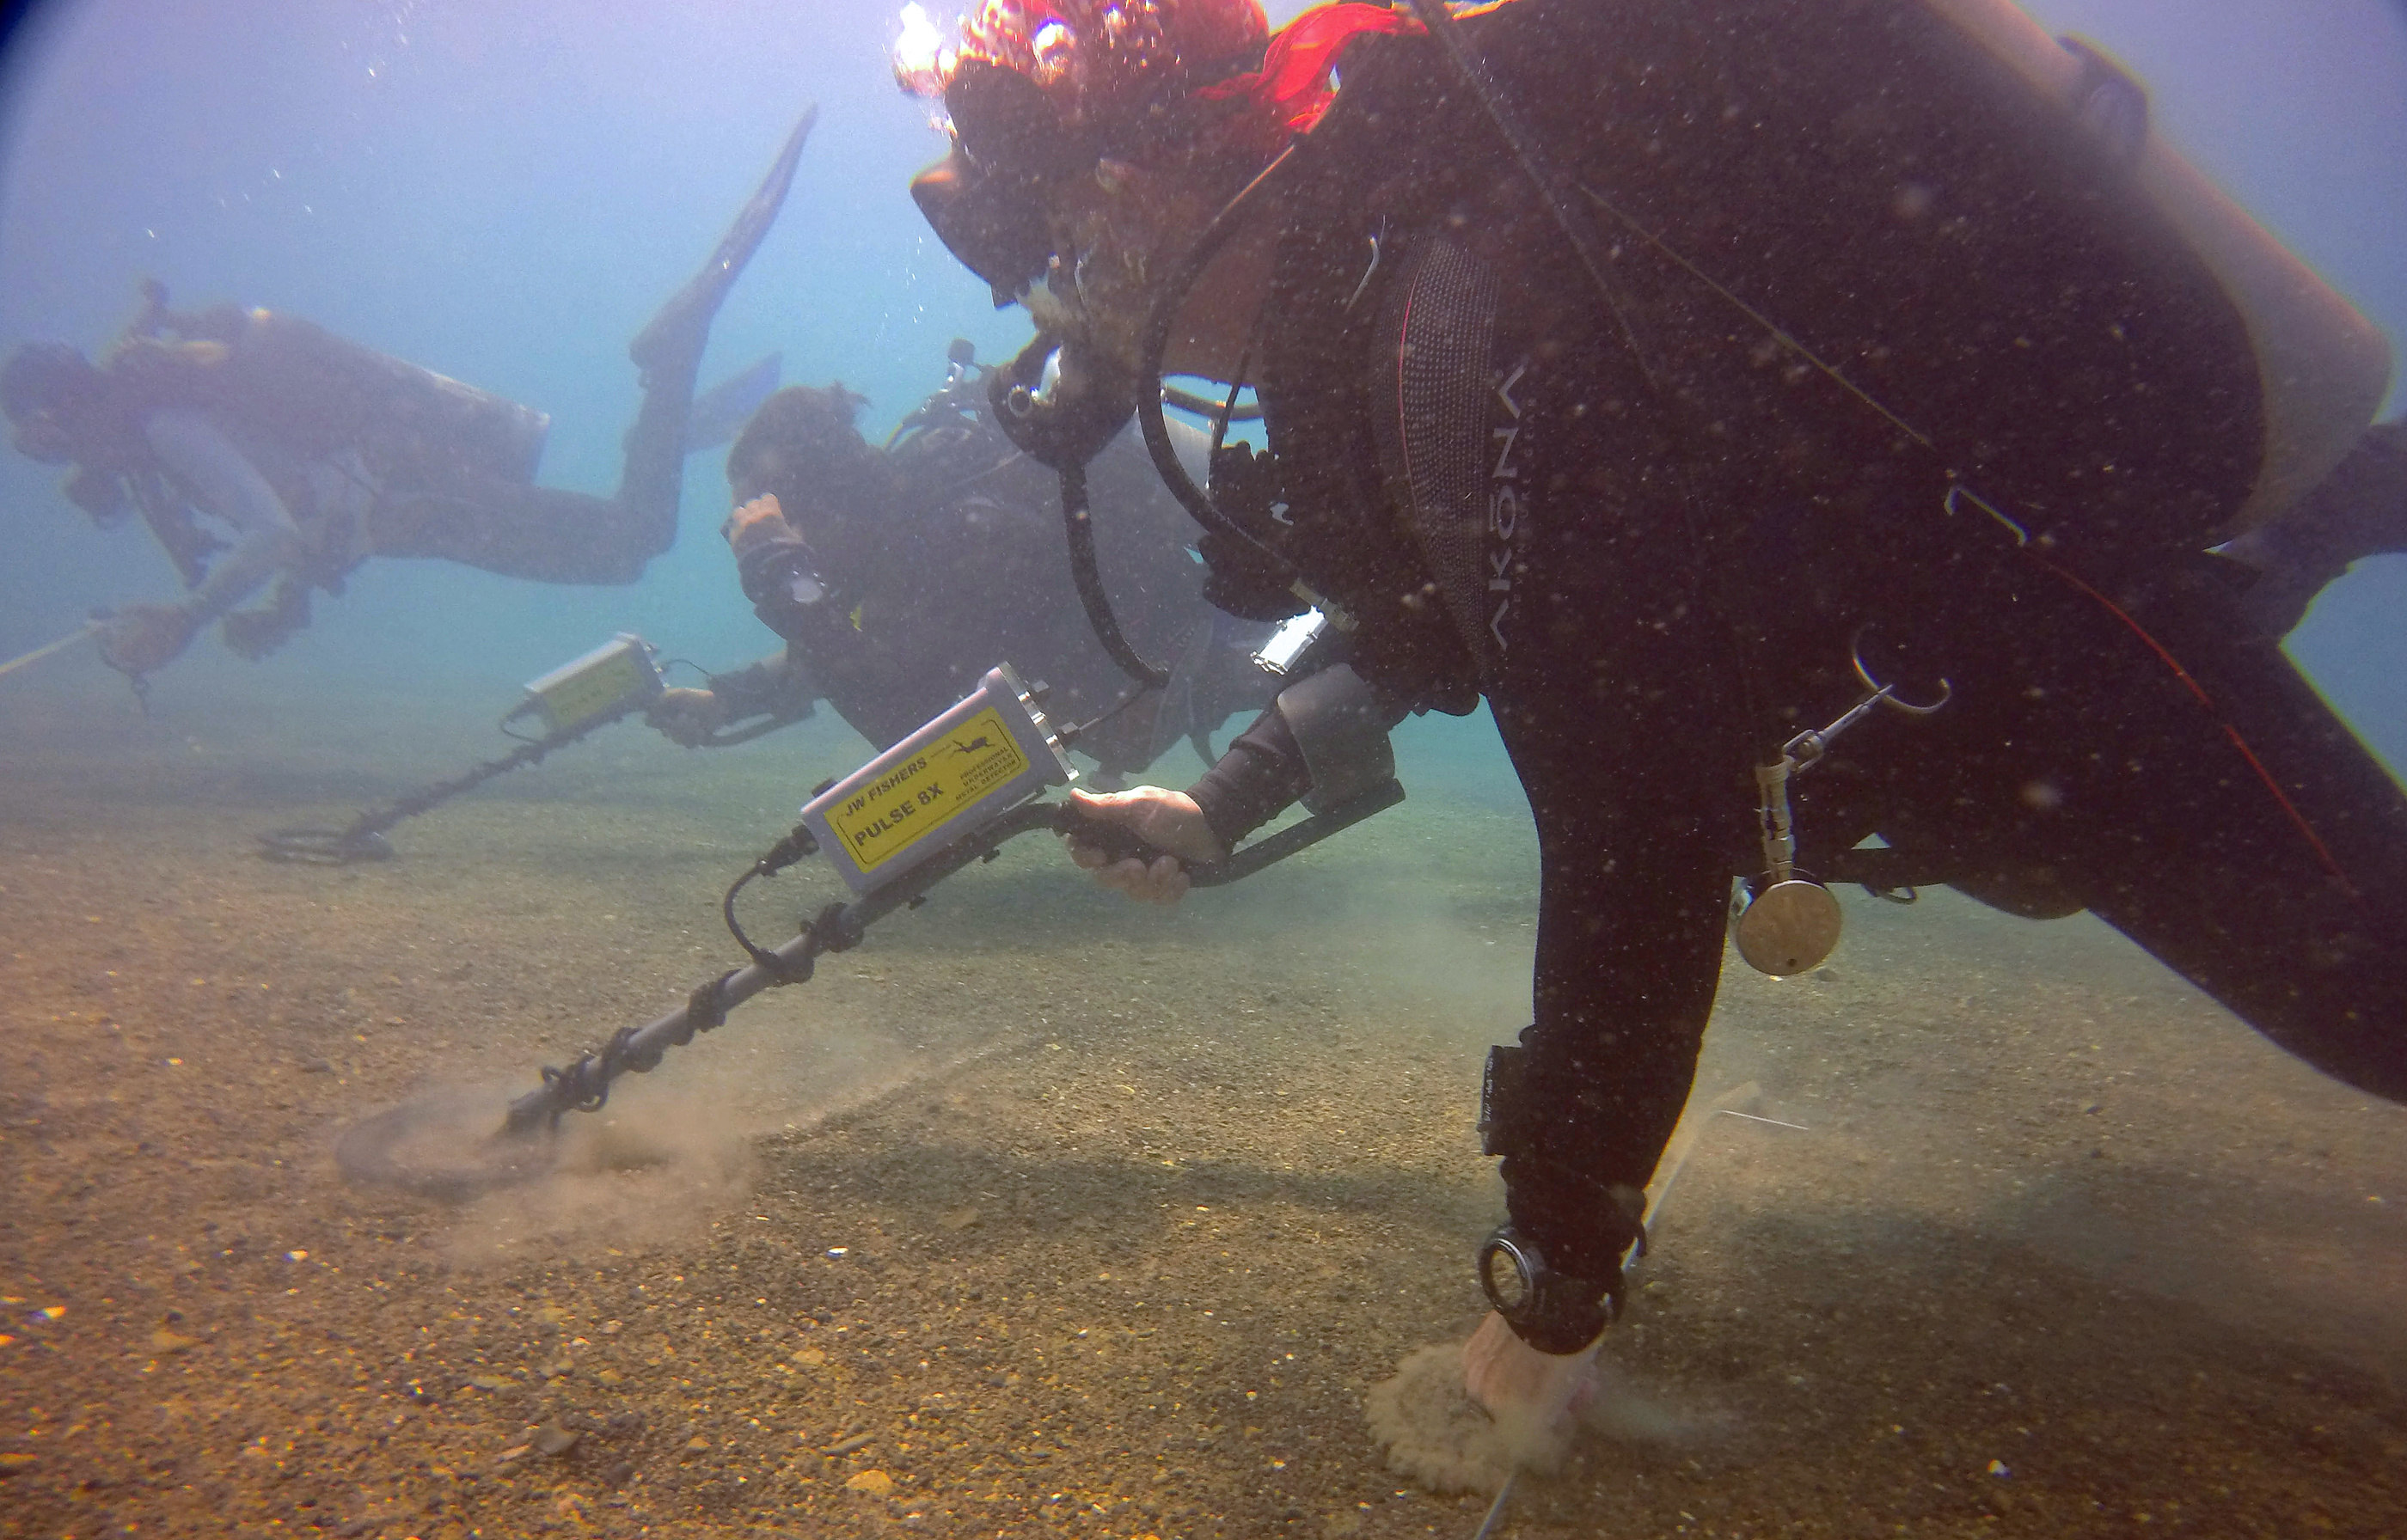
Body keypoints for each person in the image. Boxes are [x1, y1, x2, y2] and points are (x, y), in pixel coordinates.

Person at [895, 0, 2407, 1428]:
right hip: (1961, 693)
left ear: (1150, 183)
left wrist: (1556, 1272)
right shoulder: (1411, 285)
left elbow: (1633, 813)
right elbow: (1442, 627)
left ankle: (2342, 500)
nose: (1103, 329)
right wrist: (1218, 800)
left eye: (1090, 265)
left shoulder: (1443, 308)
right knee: (2276, 580)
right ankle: (2348, 500)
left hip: (2043, 672)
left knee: (2375, 992)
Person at [0, 109, 816, 681]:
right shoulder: (163, 425)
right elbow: (297, 494)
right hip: (409, 500)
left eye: (37, 434)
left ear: (59, 412)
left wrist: (189, 618)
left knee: (631, 541)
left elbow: (276, 527)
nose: (49, 453)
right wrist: (290, 606)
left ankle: (670, 370)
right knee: (625, 546)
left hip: (418, 497)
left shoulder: (169, 425)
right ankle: (665, 420)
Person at [645, 345, 1283, 779]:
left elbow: (919, 734)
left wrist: (785, 579)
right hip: (1142, 653)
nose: (760, 542)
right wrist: (727, 700)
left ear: (830, 505)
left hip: (1201, 642)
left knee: (1304, 665)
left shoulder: (965, 535)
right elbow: (888, 645)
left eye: (774, 526)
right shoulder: (910, 527)